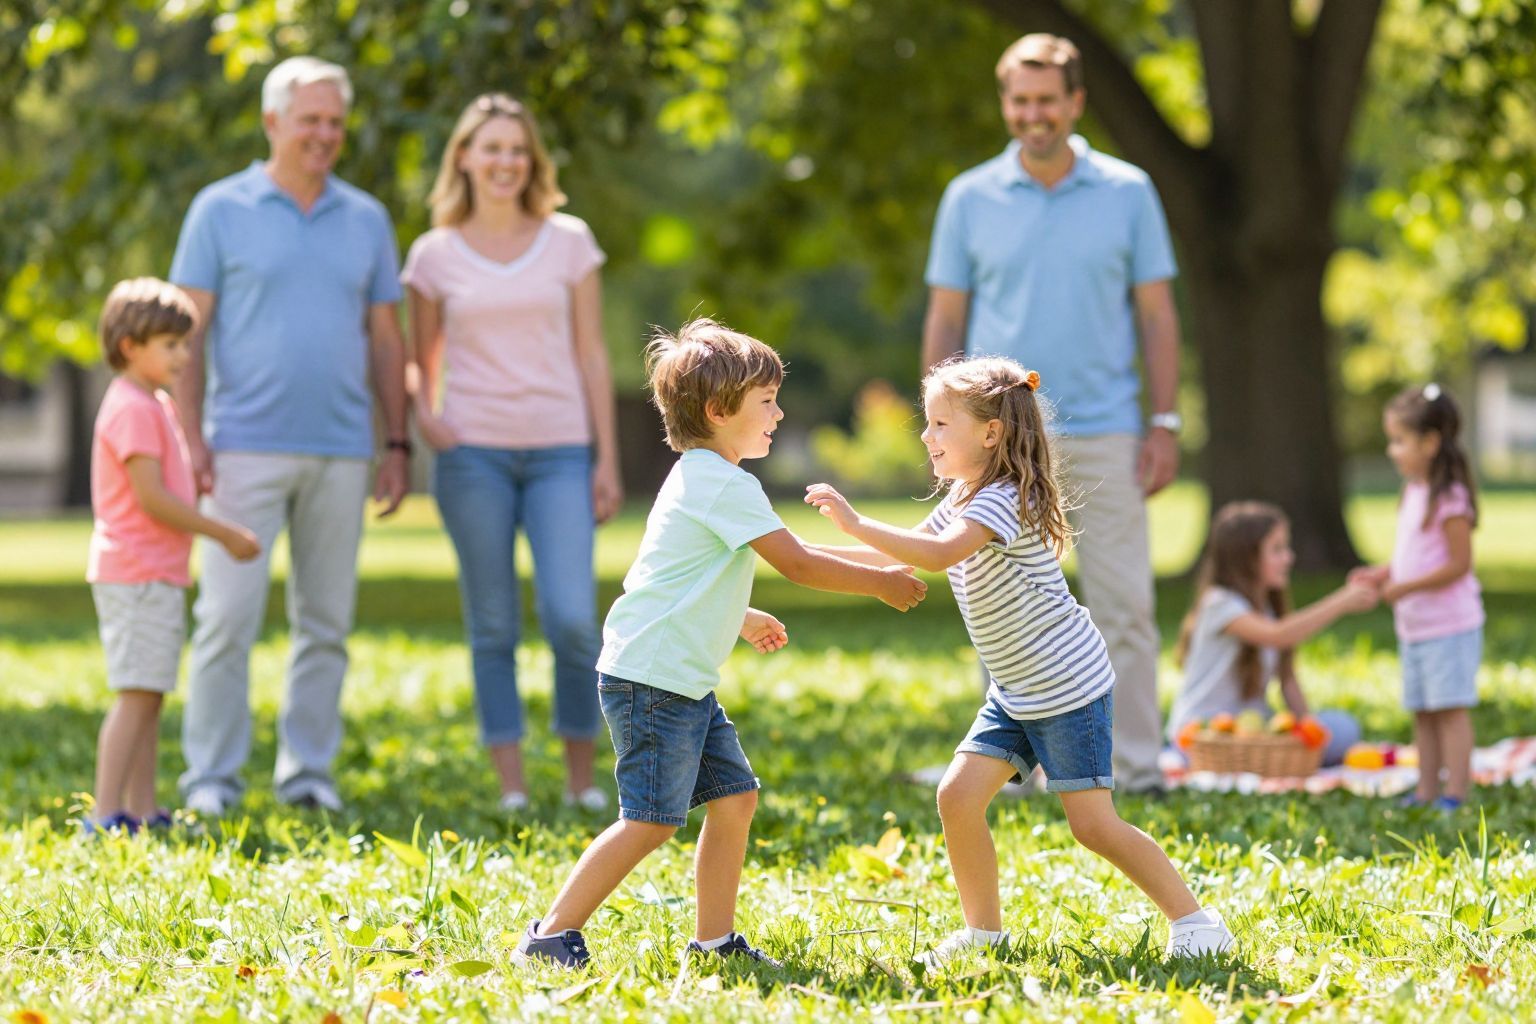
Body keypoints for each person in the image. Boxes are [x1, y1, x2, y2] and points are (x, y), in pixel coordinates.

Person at [512, 319, 927, 968]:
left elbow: (681, 575)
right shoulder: (721, 483)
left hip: (675, 677)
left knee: (734, 800)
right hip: (654, 682)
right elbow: (797, 562)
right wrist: (878, 583)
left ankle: (713, 943)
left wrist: (740, 612)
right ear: (717, 410)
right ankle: (549, 936)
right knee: (650, 819)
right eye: (766, 402)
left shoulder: (701, 478)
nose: (779, 412)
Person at [805, 356, 1233, 962]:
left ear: (990, 432)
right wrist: (785, 549)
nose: (926, 436)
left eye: (938, 424)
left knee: (1092, 826)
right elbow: (902, 556)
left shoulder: (1003, 498)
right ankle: (984, 933)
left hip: (1066, 687)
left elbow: (937, 555)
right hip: (1016, 690)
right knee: (957, 798)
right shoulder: (964, 494)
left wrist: (855, 523)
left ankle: (1196, 923)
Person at [921, 33, 1180, 793]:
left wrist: (1164, 423)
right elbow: (944, 320)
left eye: (1046, 101)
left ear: (1074, 103)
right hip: (993, 435)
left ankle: (1132, 769)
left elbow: (1159, 318)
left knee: (1124, 605)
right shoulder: (968, 198)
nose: (1032, 115)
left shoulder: (1129, 191)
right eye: (1019, 101)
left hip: (1104, 427)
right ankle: (1019, 769)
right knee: (998, 602)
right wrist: (939, 425)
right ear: (1007, 104)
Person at [169, 56, 410, 816]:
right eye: (310, 119)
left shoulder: (367, 218)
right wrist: (190, 439)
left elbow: (385, 339)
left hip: (342, 451)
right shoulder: (218, 209)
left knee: (326, 624)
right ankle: (211, 777)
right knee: (226, 619)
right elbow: (186, 334)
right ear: (273, 122)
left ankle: (307, 774)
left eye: (335, 122)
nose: (324, 134)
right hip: (239, 447)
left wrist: (396, 442)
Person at [402, 94, 622, 814]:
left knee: (570, 617)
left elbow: (592, 353)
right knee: (492, 620)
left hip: (561, 449)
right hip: (474, 458)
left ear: (532, 162)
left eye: (517, 150)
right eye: (490, 148)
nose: (505, 162)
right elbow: (416, 355)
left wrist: (605, 457)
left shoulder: (569, 240)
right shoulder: (433, 254)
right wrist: (427, 417)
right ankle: (513, 788)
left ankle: (582, 779)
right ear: (463, 157)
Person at [86, 279, 260, 833]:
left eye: (186, 344)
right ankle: (105, 812)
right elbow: (151, 498)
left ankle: (140, 810)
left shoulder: (153, 402)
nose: (184, 355)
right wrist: (221, 532)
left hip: (155, 572)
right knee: (136, 692)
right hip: (135, 572)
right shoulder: (133, 407)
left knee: (150, 694)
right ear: (130, 345)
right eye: (170, 345)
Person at [1352, 385, 1484, 810]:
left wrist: (1405, 587)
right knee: (1423, 713)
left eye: (1399, 441)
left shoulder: (1450, 498)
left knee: (1450, 712)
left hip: (1450, 626)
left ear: (1430, 442)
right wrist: (1385, 573)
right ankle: (1426, 791)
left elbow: (1459, 564)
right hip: (1416, 628)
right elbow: (1413, 557)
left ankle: (1455, 793)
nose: (1392, 451)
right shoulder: (1413, 493)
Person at [1168, 502, 1371, 766]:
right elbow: (1278, 635)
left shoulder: (1268, 607)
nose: (1289, 558)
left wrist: (1310, 732)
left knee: (1343, 727)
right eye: (1277, 550)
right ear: (1245, 558)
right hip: (1203, 735)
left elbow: (1287, 680)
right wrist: (1341, 602)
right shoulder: (1218, 604)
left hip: (1255, 731)